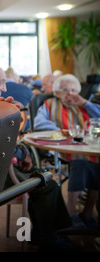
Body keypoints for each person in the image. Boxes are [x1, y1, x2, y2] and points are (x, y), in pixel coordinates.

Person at [0, 62, 74, 250]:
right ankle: (53, 240)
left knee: (41, 177)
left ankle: (46, 235)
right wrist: (22, 153)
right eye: (1, 83)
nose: (5, 89)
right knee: (47, 183)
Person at [34, 74, 99, 228]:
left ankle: (88, 213)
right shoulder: (50, 103)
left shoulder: (83, 105)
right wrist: (60, 131)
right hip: (61, 146)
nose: (70, 93)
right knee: (81, 162)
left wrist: (85, 103)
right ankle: (71, 213)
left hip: (86, 146)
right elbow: (38, 122)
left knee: (97, 165)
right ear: (57, 92)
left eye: (73, 90)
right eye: (65, 90)